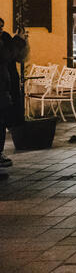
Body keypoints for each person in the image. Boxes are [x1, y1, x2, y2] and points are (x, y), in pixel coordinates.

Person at [0, 18, 28, 172]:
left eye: (2, 27)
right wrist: (18, 40)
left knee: (2, 122)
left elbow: (18, 56)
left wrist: (22, 42)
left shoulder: (4, 38)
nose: (1, 30)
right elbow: (5, 55)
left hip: (5, 88)